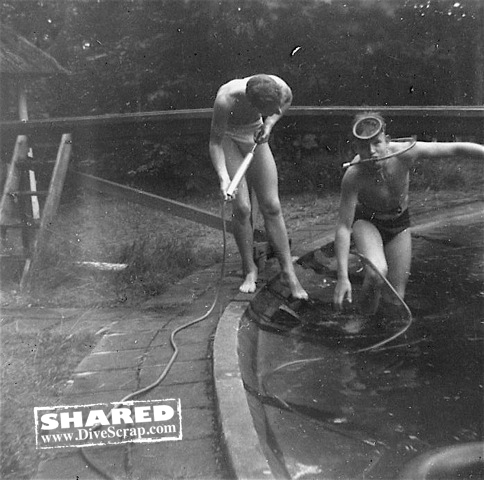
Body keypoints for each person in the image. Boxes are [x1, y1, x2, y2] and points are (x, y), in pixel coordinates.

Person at [333, 111, 484, 318]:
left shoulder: (405, 153)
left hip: (398, 223)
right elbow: (343, 227)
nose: (372, 152)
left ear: (387, 140)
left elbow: (456, 148)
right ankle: (362, 320)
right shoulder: (353, 176)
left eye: (377, 143)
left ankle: (383, 326)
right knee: (376, 273)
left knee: (395, 298)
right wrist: (343, 277)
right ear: (356, 148)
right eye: (364, 147)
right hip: (368, 222)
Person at [209, 74, 308, 299]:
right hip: (229, 139)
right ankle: (249, 269)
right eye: (270, 109)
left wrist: (269, 124)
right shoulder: (226, 99)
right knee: (242, 208)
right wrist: (224, 178)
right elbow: (215, 143)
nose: (276, 111)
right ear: (253, 105)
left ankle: (288, 273)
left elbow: (286, 101)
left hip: (255, 131)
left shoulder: (279, 86)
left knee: (272, 206)